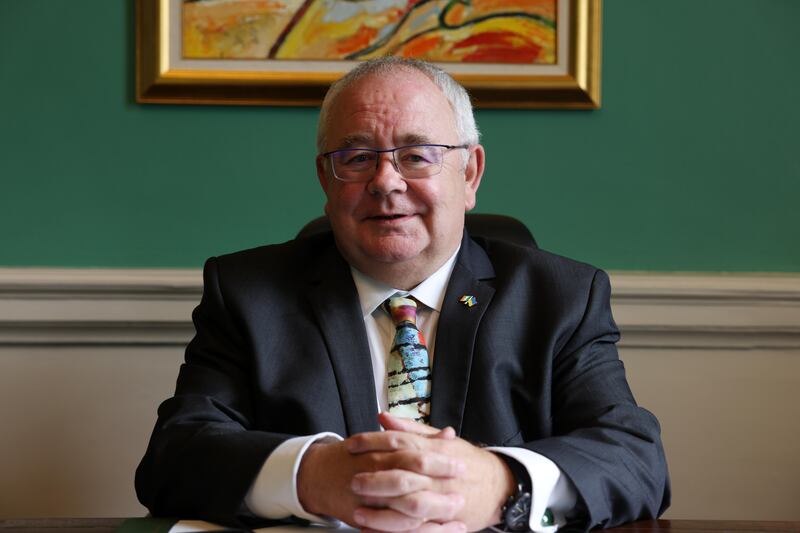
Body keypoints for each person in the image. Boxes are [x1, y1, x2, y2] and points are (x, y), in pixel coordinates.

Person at [135, 57, 670, 532]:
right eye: (357, 156)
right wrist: (314, 474)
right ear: (326, 179)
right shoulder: (250, 294)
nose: (386, 181)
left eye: (417, 155)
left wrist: (501, 485)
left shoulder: (559, 297)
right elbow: (174, 457)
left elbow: (634, 457)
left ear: (470, 173)